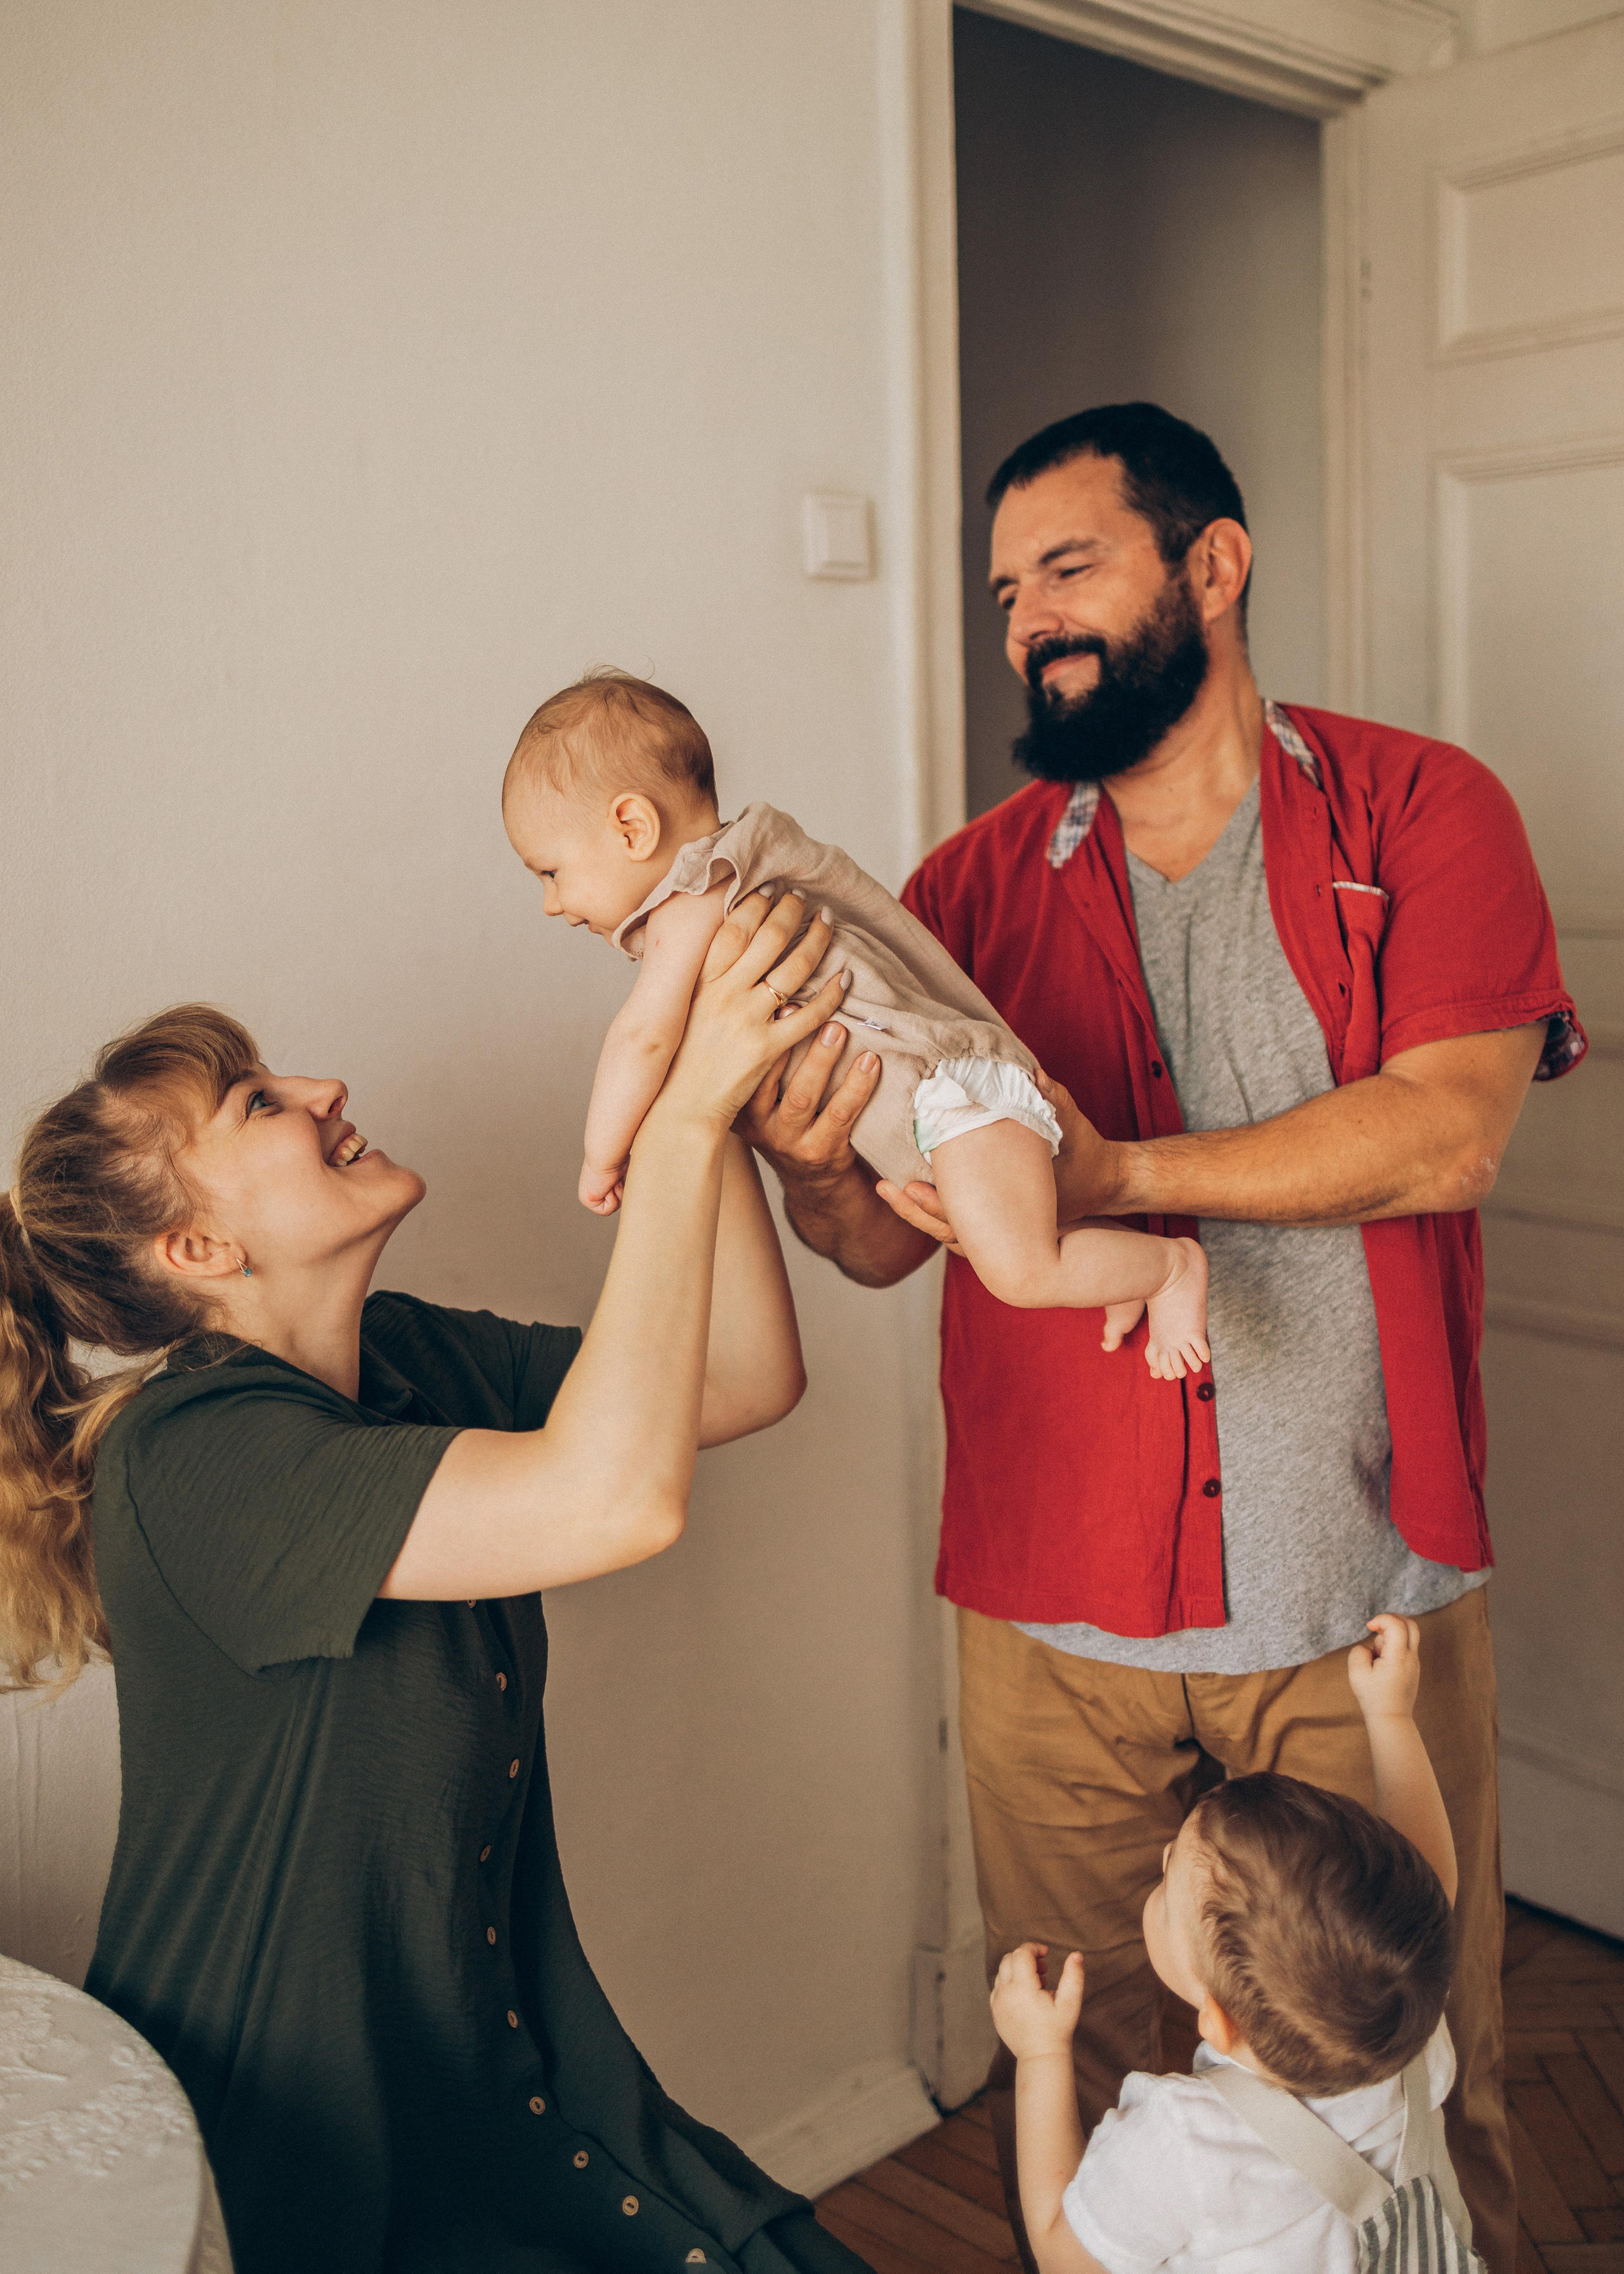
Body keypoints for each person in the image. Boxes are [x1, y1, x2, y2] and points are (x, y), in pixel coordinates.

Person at [736, 402, 1585, 2274]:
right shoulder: (953, 900)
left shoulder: (1421, 811)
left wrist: (1110, 1172)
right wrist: (808, 1168)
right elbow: (877, 1243)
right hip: (1050, 1617)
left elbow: (1446, 1133)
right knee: (1103, 2071)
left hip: (1355, 1593)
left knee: (1419, 2075)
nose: (1028, 620)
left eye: (1068, 567)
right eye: (1003, 594)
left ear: (1212, 564)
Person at [0, 897, 877, 2273]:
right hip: (291, 2150)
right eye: (259, 1101)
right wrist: (683, 1116)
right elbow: (616, 1497)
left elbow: (737, 1376)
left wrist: (693, 1104)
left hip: (491, 2089)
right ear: (199, 1249)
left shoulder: (407, 1360)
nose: (324, 1089)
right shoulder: (190, 1458)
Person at [501, 669, 1208, 1378]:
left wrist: (601, 1157)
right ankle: (1116, 1268)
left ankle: (1169, 1267)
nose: (550, 904)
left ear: (632, 827)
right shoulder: (741, 876)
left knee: (1020, 1271)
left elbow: (642, 1037)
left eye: (550, 873)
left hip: (952, 1094)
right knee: (1016, 1223)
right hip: (945, 1111)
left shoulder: (696, 898)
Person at [991, 1614, 1478, 2273]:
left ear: (1218, 2021)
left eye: (1167, 1889)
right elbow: (1429, 1884)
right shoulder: (1405, 2024)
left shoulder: (1187, 2139)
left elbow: (1060, 2251)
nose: (1163, 1857)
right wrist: (1390, 1716)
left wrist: (1041, 2052)